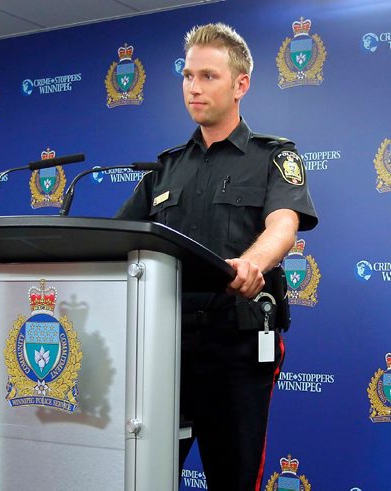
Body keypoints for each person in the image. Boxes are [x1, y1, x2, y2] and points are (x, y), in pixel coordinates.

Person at [115, 23, 318, 491]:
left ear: (240, 84)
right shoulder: (165, 167)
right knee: (143, 475)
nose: (194, 87)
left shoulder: (273, 157)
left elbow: (283, 224)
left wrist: (252, 264)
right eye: (187, 76)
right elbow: (120, 239)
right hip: (163, 346)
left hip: (236, 346)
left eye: (208, 76)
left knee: (232, 478)